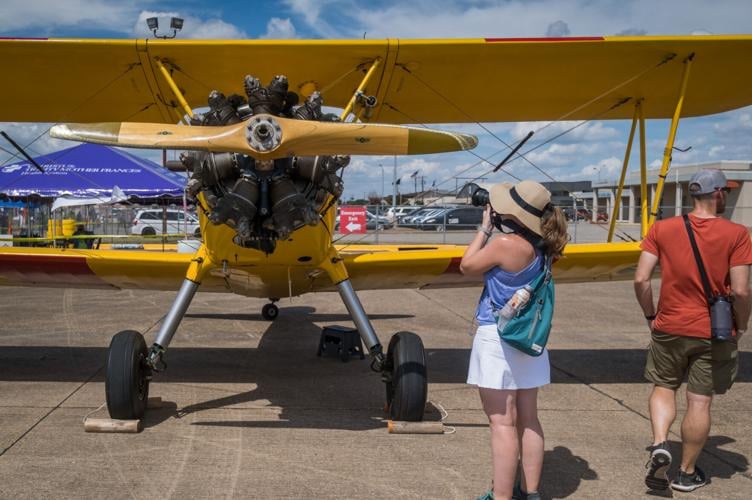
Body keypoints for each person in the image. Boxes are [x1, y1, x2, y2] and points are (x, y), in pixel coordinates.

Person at [634, 168, 752, 493]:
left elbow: (641, 278)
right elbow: (741, 291)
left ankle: (660, 444)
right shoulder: (737, 234)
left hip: (669, 325)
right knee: (699, 402)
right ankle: (686, 473)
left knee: (663, 386)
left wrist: (650, 315)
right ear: (717, 194)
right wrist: (740, 326)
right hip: (714, 331)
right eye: (725, 191)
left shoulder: (662, 228)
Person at [461, 181, 568, 500]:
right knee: (529, 418)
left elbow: (467, 265)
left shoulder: (506, 243)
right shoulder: (546, 247)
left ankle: (502, 496)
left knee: (502, 423)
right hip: (529, 338)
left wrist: (484, 229)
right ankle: (531, 492)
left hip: (499, 337)